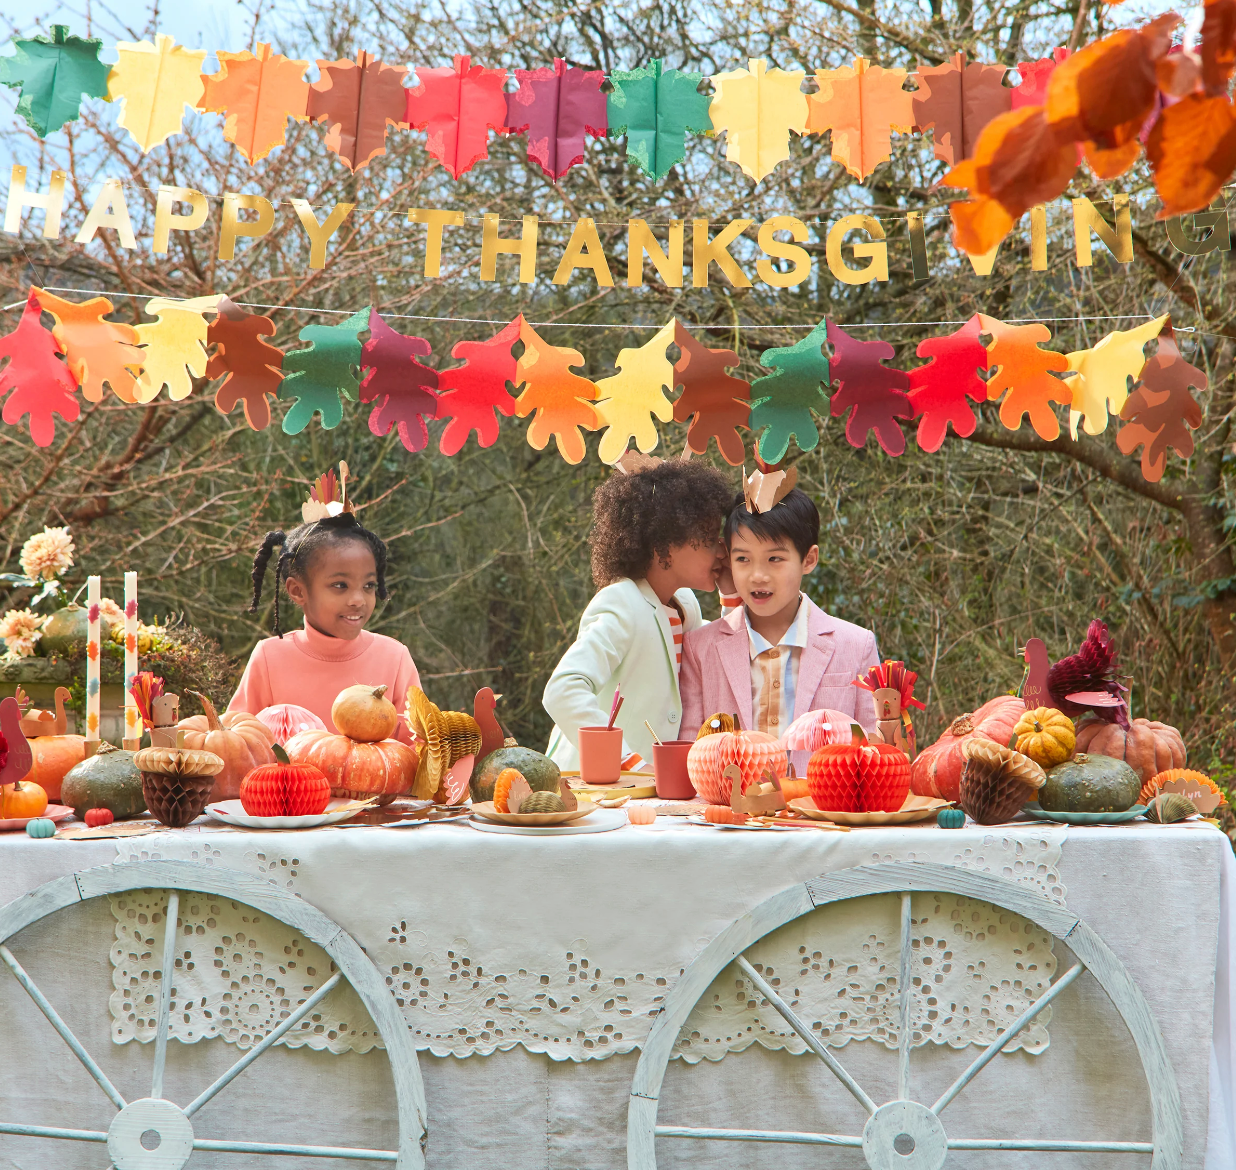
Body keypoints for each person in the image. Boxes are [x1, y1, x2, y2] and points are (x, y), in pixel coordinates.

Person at [543, 457, 734, 770]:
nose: (722, 551)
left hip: (638, 795)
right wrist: (627, 762)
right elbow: (563, 689)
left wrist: (732, 595)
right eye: (710, 538)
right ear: (663, 547)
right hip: (585, 788)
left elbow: (723, 657)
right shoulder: (621, 603)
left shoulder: (684, 604)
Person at [680, 477, 879, 773]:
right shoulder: (701, 648)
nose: (758, 575)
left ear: (808, 559)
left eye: (775, 558)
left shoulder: (856, 645)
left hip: (822, 814)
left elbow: (876, 752)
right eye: (743, 559)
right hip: (729, 815)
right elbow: (690, 754)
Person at [228, 474, 420, 734]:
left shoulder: (395, 659)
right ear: (298, 591)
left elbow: (419, 755)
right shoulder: (269, 658)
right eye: (340, 585)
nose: (358, 600)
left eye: (369, 586)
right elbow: (237, 746)